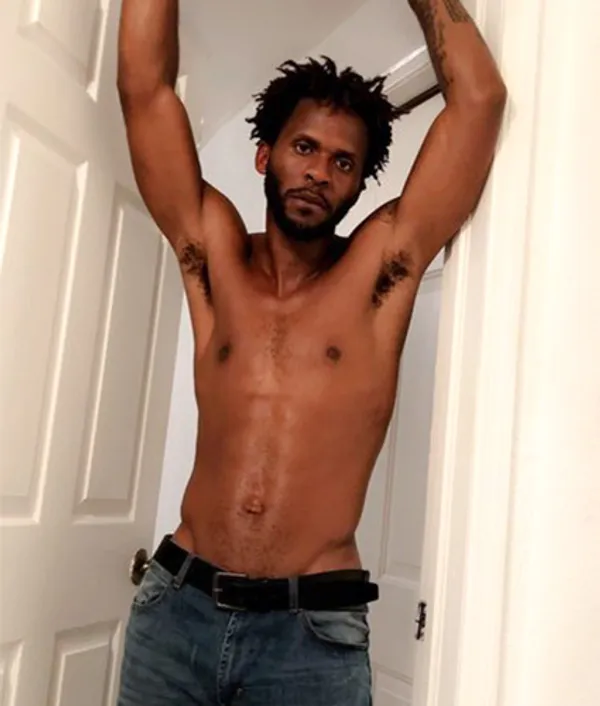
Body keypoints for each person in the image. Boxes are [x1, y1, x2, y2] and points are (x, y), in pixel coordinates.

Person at [116, 0, 506, 703]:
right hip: (176, 614)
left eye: (342, 162)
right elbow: (144, 89)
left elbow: (478, 102)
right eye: (304, 148)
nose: (320, 171)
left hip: (311, 637)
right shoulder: (214, 260)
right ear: (265, 155)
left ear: (358, 184)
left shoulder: (380, 275)